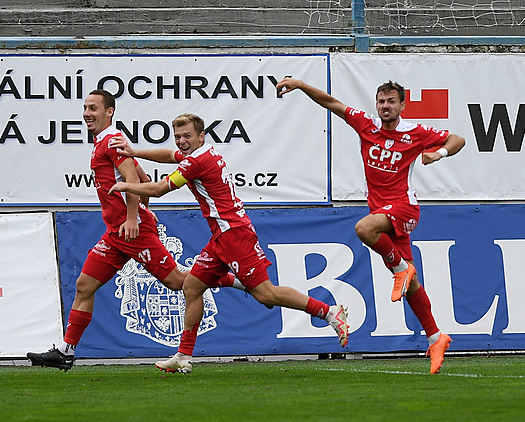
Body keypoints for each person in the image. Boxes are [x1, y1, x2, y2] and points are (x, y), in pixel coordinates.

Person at [108, 113, 350, 373]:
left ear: (201, 136)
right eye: (178, 137)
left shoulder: (197, 162)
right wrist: (136, 152)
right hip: (221, 238)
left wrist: (126, 186)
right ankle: (183, 356)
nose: (181, 141)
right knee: (191, 287)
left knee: (265, 294)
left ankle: (328, 312)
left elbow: (159, 189)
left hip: (234, 235)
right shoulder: (202, 154)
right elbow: (170, 156)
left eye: (187, 136)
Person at [27, 90, 240, 371]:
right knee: (84, 285)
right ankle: (67, 351)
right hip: (116, 234)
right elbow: (143, 178)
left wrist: (134, 218)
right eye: (85, 108)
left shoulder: (111, 141)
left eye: (93, 108)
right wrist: (142, 210)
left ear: (109, 112)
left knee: (177, 282)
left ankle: (233, 280)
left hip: (132, 232)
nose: (87, 113)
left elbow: (130, 179)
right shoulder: (104, 141)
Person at [275, 77, 465, 374]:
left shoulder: (415, 132)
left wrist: (437, 153)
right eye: (381, 101)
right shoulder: (366, 124)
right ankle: (436, 337)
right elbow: (331, 103)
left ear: (402, 105)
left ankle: (401, 269)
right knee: (412, 285)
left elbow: (458, 140)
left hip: (404, 208)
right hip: (383, 212)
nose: (385, 106)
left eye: (391, 101)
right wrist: (300, 84)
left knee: (364, 229)